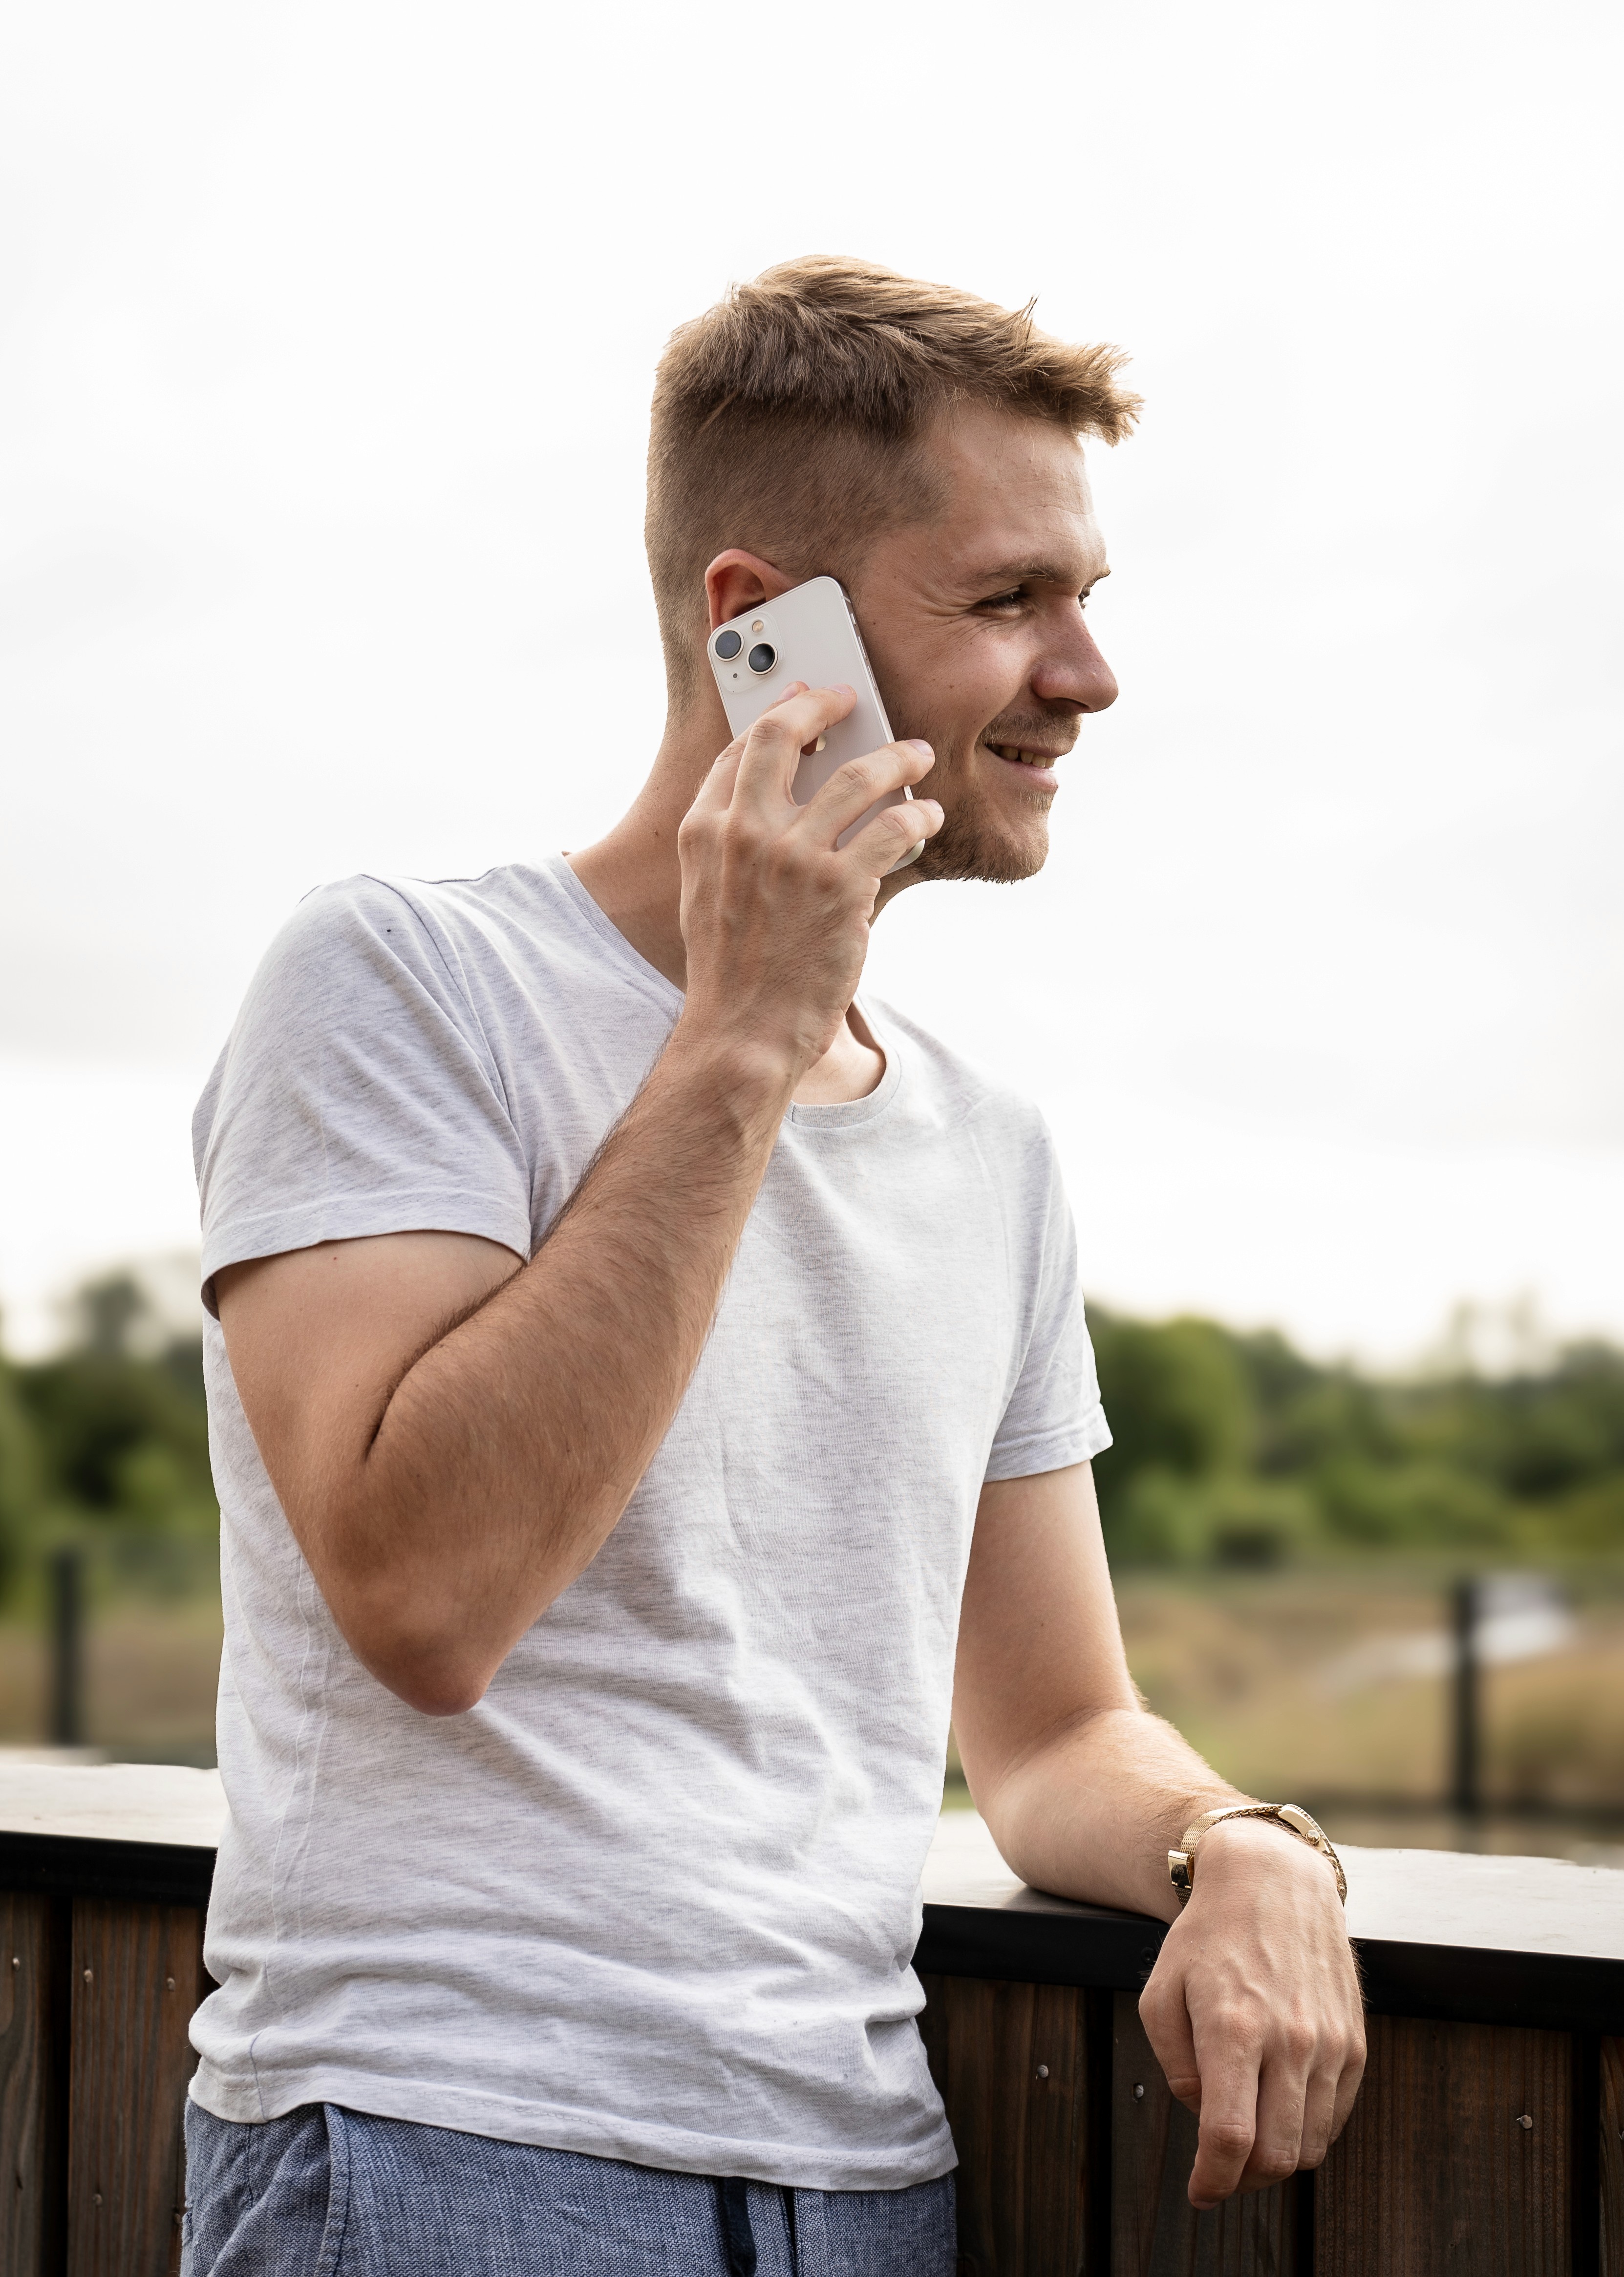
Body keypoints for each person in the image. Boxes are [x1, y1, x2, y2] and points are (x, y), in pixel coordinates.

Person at [181, 257, 1364, 2277]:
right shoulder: (396, 980)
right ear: (763, 632)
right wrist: (741, 1030)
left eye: (1086, 599)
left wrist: (1234, 1841)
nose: (1086, 674)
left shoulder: (991, 1147)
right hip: (445, 2152)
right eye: (1008, 602)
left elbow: (1056, 1729)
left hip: (865, 2182)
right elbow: (425, 1595)